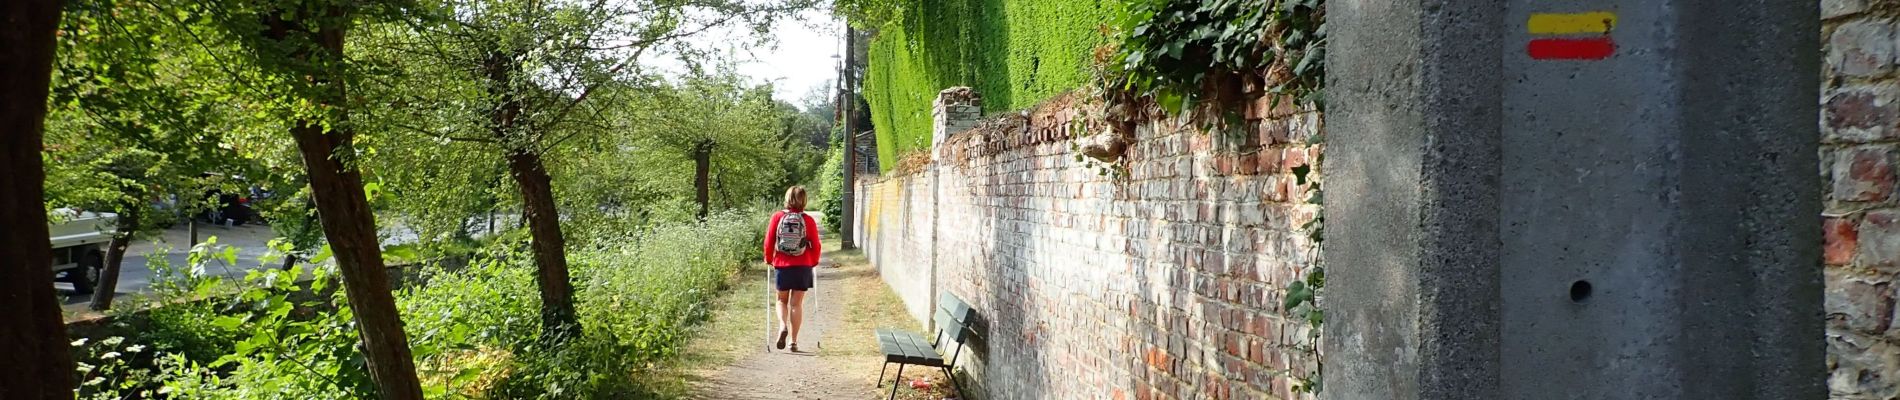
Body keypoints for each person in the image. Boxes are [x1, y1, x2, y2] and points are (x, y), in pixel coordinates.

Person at [764, 186, 821, 352]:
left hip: (782, 264)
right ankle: (793, 341)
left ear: (787, 198)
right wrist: (814, 261)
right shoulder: (808, 220)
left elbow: (769, 241)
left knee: (782, 300)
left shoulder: (777, 217)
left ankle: (782, 326)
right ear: (804, 200)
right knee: (796, 304)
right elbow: (816, 244)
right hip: (803, 265)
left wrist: (768, 258)